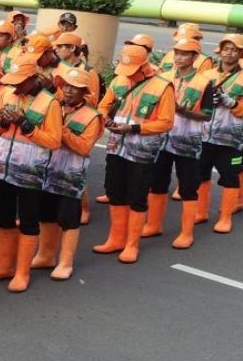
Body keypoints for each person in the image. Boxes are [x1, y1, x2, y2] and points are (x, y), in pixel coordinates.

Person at [0, 57, 62, 293]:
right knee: (3, 218)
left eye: (20, 83)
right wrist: (2, 123)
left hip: (30, 174)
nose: (15, 87)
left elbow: (54, 141)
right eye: (12, 82)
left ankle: (22, 272)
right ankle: (3, 266)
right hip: (2, 169)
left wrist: (25, 124)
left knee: (28, 221)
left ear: (34, 79)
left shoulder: (50, 103)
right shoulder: (8, 95)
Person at [94, 45, 175, 263]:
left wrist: (135, 129)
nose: (127, 74)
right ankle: (115, 238)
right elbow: (103, 106)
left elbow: (166, 122)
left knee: (137, 196)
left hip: (142, 152)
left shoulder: (162, 87)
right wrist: (107, 119)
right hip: (116, 146)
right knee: (115, 191)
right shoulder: (119, 80)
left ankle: (132, 244)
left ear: (144, 65)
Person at [144, 38, 214, 248]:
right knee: (157, 183)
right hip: (162, 141)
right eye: (177, 52)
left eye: (185, 53)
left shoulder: (204, 83)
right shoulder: (162, 78)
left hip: (188, 143)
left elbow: (207, 115)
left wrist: (184, 111)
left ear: (195, 57)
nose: (179, 57)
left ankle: (186, 232)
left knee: (188, 187)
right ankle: (153, 224)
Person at [35, 67, 103, 279]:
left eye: (75, 87)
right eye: (66, 86)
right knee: (46, 214)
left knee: (69, 218)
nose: (69, 90)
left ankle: (65, 262)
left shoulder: (92, 116)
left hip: (70, 176)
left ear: (85, 92)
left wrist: (59, 130)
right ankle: (45, 255)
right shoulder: (53, 107)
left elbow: (84, 147)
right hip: (46, 171)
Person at [200, 34, 243, 233]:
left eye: (234, 49)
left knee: (230, 177)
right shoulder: (207, 75)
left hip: (231, 139)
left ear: (240, 53)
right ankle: (200, 212)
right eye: (226, 48)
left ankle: (225, 217)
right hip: (204, 135)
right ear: (220, 51)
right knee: (200, 174)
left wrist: (232, 103)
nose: (229, 53)